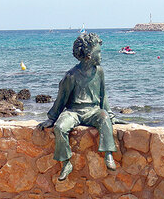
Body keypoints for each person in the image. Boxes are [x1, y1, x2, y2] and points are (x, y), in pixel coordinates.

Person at [37, 33, 124, 181]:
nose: (101, 55)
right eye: (99, 52)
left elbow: (104, 95)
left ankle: (108, 154)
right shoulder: (71, 75)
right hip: (73, 111)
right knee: (60, 127)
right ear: (89, 55)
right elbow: (61, 99)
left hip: (93, 111)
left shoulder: (100, 72)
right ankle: (66, 162)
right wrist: (52, 118)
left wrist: (111, 115)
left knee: (104, 118)